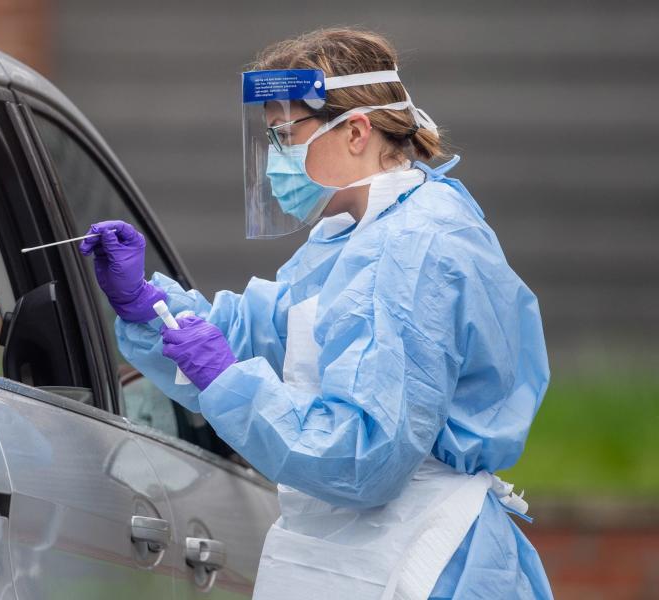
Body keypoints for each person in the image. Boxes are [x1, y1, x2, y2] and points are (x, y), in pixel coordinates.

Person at [80, 28, 552, 600]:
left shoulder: (416, 247)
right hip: (359, 547)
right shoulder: (353, 236)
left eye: (285, 135)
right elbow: (258, 337)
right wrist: (148, 306)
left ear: (356, 131)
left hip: (421, 556)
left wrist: (227, 380)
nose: (277, 158)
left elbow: (364, 457)